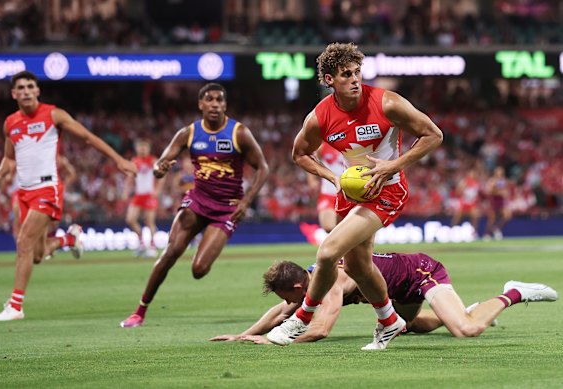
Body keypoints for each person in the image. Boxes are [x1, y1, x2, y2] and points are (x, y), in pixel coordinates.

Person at [273, 42, 444, 349]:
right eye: (345, 74)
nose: (355, 79)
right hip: (352, 192)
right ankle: (389, 322)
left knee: (327, 252)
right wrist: (332, 177)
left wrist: (394, 164)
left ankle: (301, 318)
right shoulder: (320, 116)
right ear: (329, 80)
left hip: (388, 189)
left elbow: (433, 134)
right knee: (356, 266)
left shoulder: (387, 102)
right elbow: (300, 154)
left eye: (357, 72)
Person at [0, 71, 137, 322]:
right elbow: (9, 158)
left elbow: (87, 137)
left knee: (23, 243)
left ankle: (15, 306)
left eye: (30, 86)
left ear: (37, 90)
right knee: (36, 254)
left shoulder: (54, 114)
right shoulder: (10, 123)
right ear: (13, 94)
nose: (26, 91)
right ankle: (68, 239)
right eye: (20, 87)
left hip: (47, 189)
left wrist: (118, 160)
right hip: (23, 191)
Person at [120, 83, 269, 328]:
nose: (215, 104)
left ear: (225, 105)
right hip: (197, 200)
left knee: (198, 270)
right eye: (209, 99)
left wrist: (247, 200)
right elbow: (160, 166)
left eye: (220, 100)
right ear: (200, 104)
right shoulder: (188, 133)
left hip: (226, 208)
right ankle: (139, 311)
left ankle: (209, 239)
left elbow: (263, 167)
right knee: (170, 253)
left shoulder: (238, 133)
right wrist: (161, 169)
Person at [211, 254, 558, 344]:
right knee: (415, 327)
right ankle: (467, 308)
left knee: (465, 331)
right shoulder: (312, 277)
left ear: (299, 288)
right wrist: (245, 334)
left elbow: (319, 330)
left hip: (421, 272)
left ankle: (514, 291)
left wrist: (272, 340)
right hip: (398, 292)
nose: (289, 304)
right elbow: (280, 311)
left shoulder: (330, 282)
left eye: (290, 297)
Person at [299, 142, 345, 245]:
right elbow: (310, 160)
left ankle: (344, 252)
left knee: (343, 227)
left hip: (348, 195)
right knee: (328, 227)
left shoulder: (351, 144)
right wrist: (312, 180)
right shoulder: (324, 146)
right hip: (328, 194)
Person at [124, 138, 163, 258]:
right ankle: (142, 244)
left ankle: (151, 246)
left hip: (149, 195)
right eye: (140, 147)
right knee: (130, 219)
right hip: (138, 194)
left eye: (144, 147)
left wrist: (158, 190)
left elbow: (162, 176)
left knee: (149, 221)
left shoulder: (153, 160)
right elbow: (130, 177)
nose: (142, 149)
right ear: (136, 148)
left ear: (148, 148)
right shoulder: (135, 161)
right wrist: (126, 190)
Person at [451, 168, 483, 239]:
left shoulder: (476, 183)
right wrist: (462, 188)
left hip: (472, 203)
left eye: (473, 174)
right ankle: (452, 230)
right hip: (464, 202)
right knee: (458, 215)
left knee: (475, 215)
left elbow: (478, 194)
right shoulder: (464, 182)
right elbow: (457, 192)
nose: (472, 175)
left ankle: (474, 232)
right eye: (471, 174)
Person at [483, 166, 512, 240]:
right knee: (492, 218)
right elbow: (489, 191)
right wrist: (499, 192)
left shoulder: (504, 181)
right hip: (494, 201)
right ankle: (487, 234)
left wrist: (505, 193)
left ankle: (496, 228)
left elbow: (506, 191)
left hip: (502, 201)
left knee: (507, 215)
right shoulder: (492, 181)